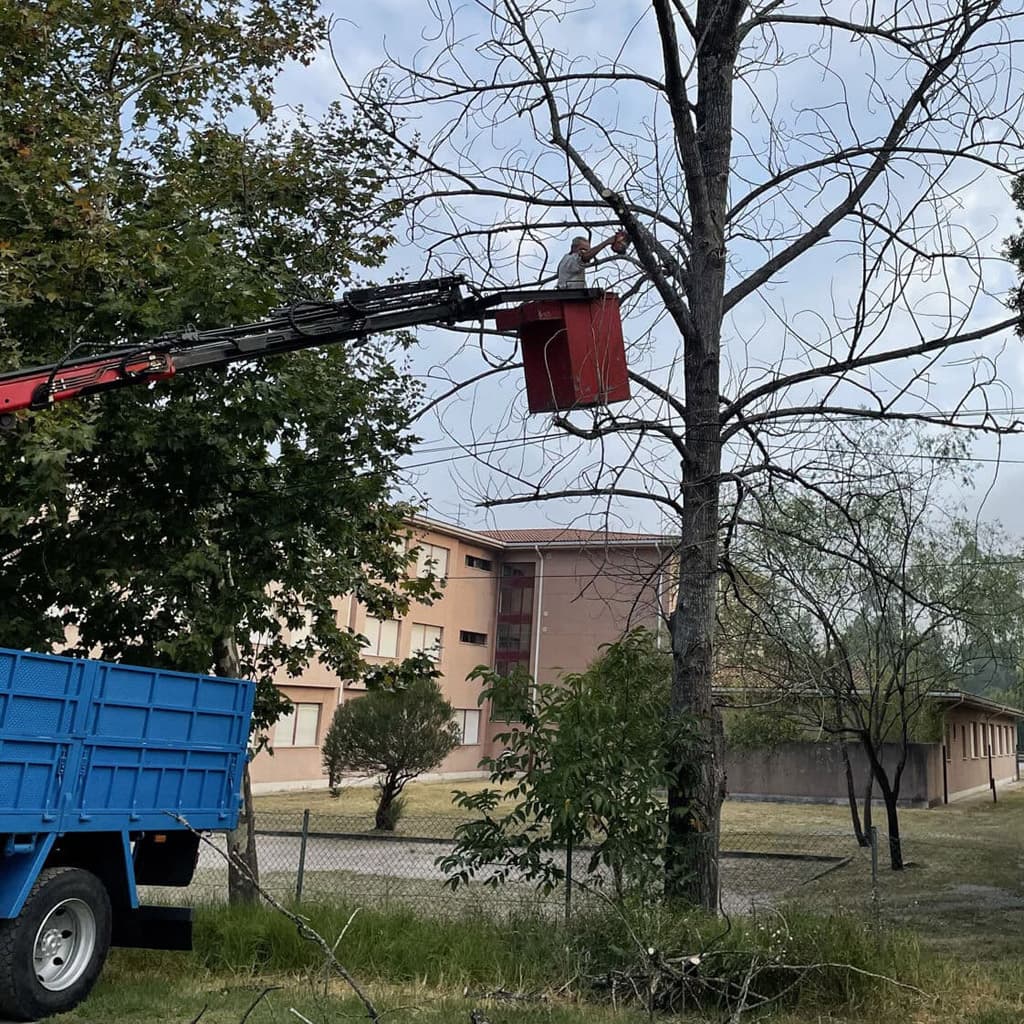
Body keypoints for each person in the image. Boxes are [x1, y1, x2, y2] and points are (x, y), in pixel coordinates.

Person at [556, 231, 627, 288]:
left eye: (587, 250)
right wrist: (607, 242)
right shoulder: (569, 260)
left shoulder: (571, 262)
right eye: (582, 249)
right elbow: (584, 258)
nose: (584, 252)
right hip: (570, 298)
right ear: (573, 248)